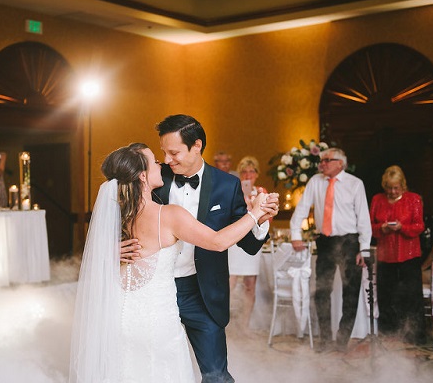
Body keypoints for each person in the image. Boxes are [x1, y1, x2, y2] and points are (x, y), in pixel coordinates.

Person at [69, 143, 273, 382]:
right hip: (158, 321)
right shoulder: (169, 215)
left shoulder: (117, 215)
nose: (162, 163)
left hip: (122, 317)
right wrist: (255, 212)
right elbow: (218, 242)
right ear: (143, 175)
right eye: (155, 161)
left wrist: (108, 253)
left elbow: (99, 255)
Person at [122, 114, 278, 382]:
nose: (167, 160)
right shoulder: (155, 178)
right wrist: (115, 247)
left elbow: (249, 245)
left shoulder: (226, 185)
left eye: (174, 153)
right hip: (154, 291)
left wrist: (260, 221)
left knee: (216, 374)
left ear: (196, 146)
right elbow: (123, 216)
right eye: (163, 153)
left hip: (201, 292)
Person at [290, 147, 371, 353]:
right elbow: (301, 209)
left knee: (350, 293)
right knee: (322, 291)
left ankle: (342, 342)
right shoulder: (315, 181)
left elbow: (363, 219)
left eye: (327, 160)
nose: (322, 164)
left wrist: (365, 248)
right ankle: (325, 340)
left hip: (349, 243)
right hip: (325, 242)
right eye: (321, 160)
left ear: (340, 163)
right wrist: (296, 235)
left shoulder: (355, 184)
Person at [370, 165, 426, 345]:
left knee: (411, 296)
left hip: (408, 255)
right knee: (386, 296)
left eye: (396, 188)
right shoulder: (377, 200)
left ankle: (414, 335)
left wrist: (403, 228)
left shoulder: (414, 199)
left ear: (403, 185)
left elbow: (419, 226)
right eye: (389, 188)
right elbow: (369, 226)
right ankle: (389, 334)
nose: (392, 192)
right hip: (386, 256)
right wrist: (382, 228)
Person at [228, 156, 268, 332]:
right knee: (230, 283)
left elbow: (268, 218)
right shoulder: (233, 190)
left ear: (257, 174)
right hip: (235, 241)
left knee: (250, 285)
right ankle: (227, 325)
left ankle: (244, 326)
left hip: (253, 241)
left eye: (251, 171)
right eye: (244, 171)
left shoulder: (262, 193)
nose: (248, 174)